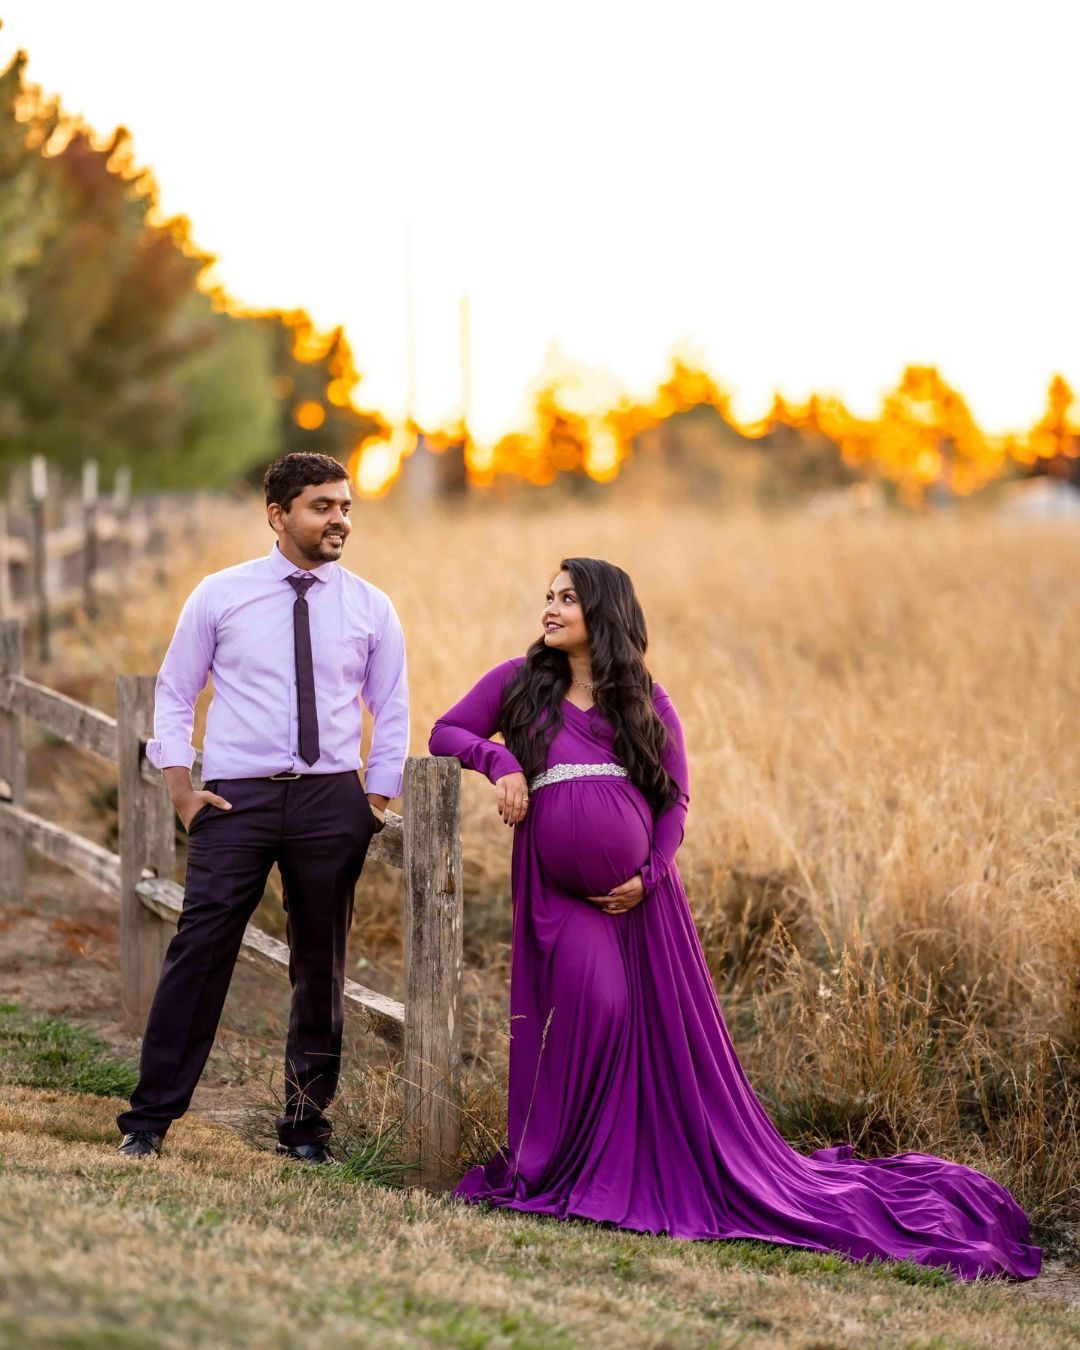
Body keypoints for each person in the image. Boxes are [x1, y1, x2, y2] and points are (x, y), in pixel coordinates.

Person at [428, 556, 1040, 1281]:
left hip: (643, 903)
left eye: (568, 598)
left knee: (636, 1021)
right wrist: (499, 766)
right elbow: (446, 731)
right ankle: (574, 1168)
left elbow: (675, 803)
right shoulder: (518, 684)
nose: (551, 608)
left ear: (606, 612)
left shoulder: (646, 702)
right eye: (548, 597)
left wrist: (649, 876)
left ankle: (621, 1172)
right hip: (559, 898)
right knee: (598, 1006)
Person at [116, 452, 408, 1164]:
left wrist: (373, 799)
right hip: (235, 799)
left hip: (330, 803)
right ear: (278, 515)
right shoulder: (220, 595)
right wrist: (181, 786)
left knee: (320, 966)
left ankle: (305, 1130)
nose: (339, 518)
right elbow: (176, 691)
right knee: (200, 951)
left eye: (344, 506)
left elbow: (391, 706)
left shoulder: (371, 606)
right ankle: (149, 1121)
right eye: (321, 506)